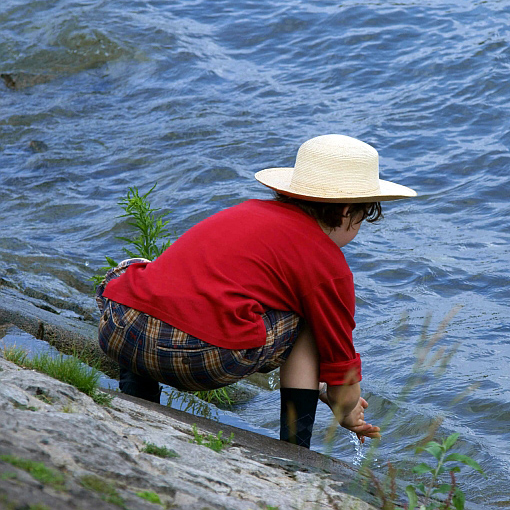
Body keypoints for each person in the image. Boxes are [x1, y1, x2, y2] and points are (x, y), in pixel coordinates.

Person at [95, 134, 417, 449]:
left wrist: (325, 386)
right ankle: (295, 452)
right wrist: (346, 409)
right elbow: (344, 384)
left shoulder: (247, 212)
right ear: (347, 211)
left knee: (147, 275)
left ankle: (137, 400)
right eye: (362, 218)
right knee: (307, 319)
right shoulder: (329, 266)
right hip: (195, 358)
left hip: (119, 326)